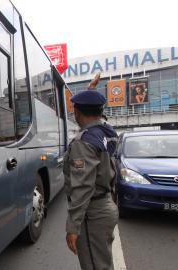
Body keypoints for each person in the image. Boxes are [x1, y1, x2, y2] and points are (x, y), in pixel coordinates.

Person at [64, 73, 119, 270]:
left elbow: (83, 187)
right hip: (106, 206)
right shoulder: (106, 132)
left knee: (96, 266)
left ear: (77, 113)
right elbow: (97, 115)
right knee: (103, 262)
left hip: (92, 214)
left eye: (75, 110)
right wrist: (91, 90)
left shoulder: (84, 142)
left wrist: (73, 226)